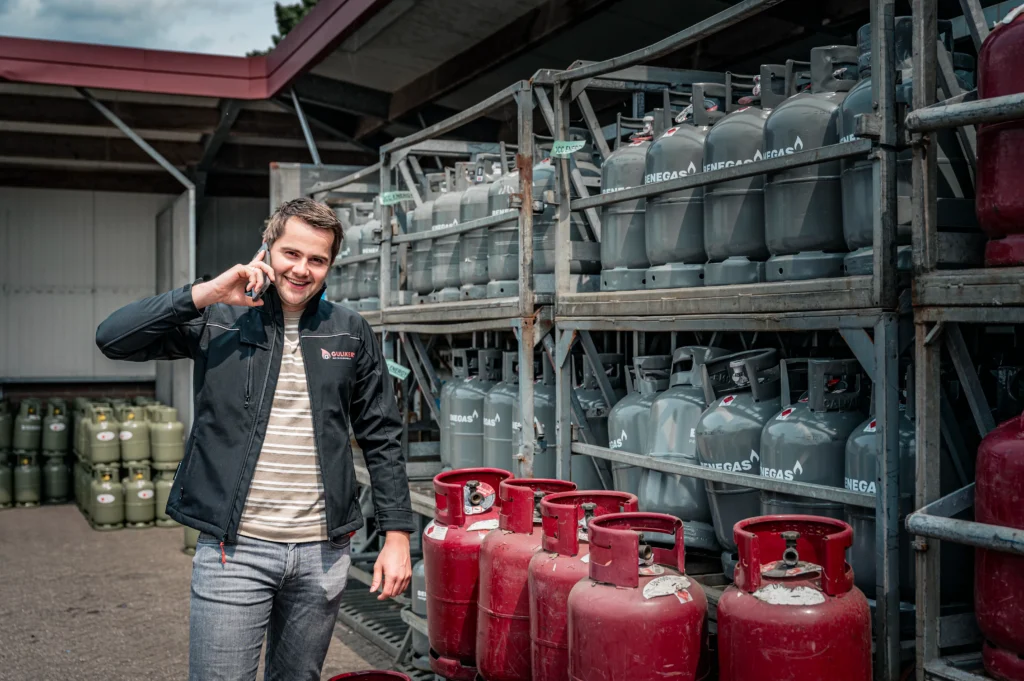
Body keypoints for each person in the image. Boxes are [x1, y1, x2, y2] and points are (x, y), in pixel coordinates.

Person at [96, 198, 413, 681]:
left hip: (322, 555)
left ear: (330, 265)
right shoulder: (219, 319)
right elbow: (113, 338)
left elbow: (382, 434)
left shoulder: (349, 332)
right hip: (235, 552)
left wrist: (397, 534)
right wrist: (205, 293)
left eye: (317, 259)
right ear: (266, 247)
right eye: (291, 253)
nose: (302, 270)